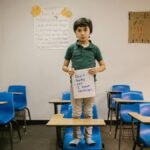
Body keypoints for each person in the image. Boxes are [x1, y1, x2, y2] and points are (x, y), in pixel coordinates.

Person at [62, 17, 106, 146]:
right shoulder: (71, 48)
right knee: (76, 112)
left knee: (88, 112)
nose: (82, 33)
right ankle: (76, 137)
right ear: (75, 32)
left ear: (89, 31)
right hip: (76, 85)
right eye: (79, 30)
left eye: (85, 30)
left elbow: (104, 66)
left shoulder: (95, 48)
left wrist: (97, 69)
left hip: (90, 86)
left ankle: (88, 137)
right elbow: (63, 66)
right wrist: (68, 70)